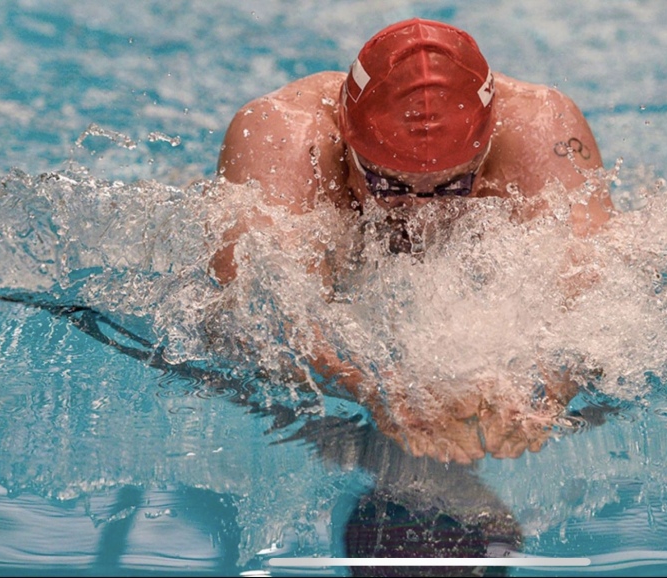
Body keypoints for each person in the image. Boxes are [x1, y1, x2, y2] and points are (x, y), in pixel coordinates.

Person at [209, 18, 613, 464]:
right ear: (347, 142)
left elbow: (594, 289)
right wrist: (369, 385)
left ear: (486, 150)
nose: (420, 213)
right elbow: (258, 309)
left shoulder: (538, 127)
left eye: (450, 188)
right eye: (389, 185)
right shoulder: (283, 135)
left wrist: (546, 386)